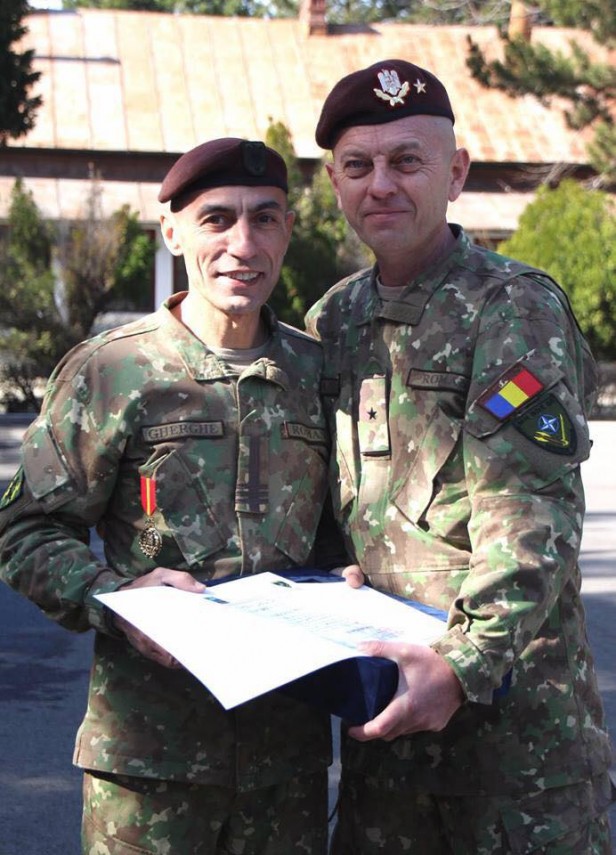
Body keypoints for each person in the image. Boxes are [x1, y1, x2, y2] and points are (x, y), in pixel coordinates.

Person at [305, 59, 615, 854]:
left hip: (514, 759)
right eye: (358, 165)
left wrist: (462, 664)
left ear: (456, 173)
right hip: (384, 745)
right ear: (335, 182)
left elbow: (532, 517)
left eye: (407, 160)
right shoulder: (332, 320)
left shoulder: (512, 307)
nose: (381, 184)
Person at [0, 137, 341, 855]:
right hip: (150, 764)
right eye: (217, 218)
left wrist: (350, 574)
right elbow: (26, 528)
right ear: (172, 232)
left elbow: (340, 529)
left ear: (287, 231)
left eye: (265, 218)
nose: (243, 244)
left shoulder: (317, 371)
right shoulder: (113, 370)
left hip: (286, 761)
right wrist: (117, 599)